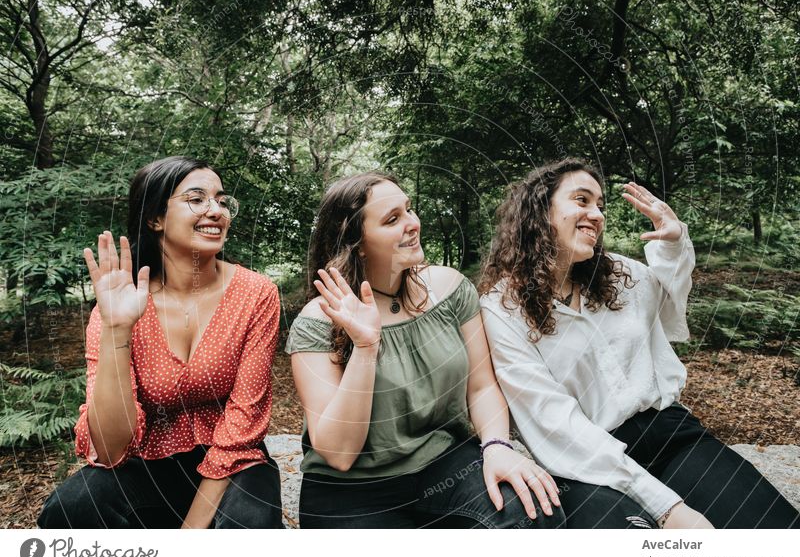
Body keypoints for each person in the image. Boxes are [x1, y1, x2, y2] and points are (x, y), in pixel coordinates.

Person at [479, 157, 800, 529]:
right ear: (539, 210)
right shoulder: (503, 307)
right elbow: (554, 421)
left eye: (600, 205)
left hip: (671, 435)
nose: (596, 214)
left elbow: (669, 305)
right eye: (581, 200)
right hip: (586, 463)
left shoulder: (618, 273)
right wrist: (667, 508)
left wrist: (675, 242)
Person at [287, 172, 567, 529]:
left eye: (409, 209)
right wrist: (365, 347)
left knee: (533, 512)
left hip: (442, 465)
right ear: (357, 242)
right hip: (351, 489)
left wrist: (497, 446)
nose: (412, 224)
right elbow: (340, 454)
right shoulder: (319, 322)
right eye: (392, 219)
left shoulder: (450, 289)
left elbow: (480, 387)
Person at [38, 156, 283, 529]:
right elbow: (108, 448)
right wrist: (117, 329)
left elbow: (244, 418)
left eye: (221, 200)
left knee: (249, 525)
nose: (215, 211)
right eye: (197, 199)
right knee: (70, 508)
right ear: (155, 218)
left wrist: (191, 530)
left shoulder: (256, 293)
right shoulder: (118, 306)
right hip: (148, 461)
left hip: (235, 464)